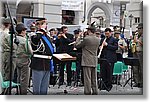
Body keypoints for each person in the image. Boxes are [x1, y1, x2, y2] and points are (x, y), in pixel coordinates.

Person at [30, 18, 54, 95]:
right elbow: (35, 41)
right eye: (45, 24)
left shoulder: (46, 36)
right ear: (40, 25)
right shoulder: (35, 35)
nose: (46, 26)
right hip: (38, 63)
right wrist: (40, 31)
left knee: (44, 87)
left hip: (47, 63)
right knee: (37, 87)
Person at [75, 26, 100, 95]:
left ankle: (87, 92)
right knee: (94, 78)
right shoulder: (98, 39)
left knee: (87, 78)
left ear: (89, 31)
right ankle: (95, 91)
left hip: (87, 60)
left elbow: (76, 45)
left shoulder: (87, 39)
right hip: (94, 59)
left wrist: (79, 37)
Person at [15, 23, 33, 95]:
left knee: (18, 77)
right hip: (25, 60)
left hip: (17, 59)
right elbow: (30, 51)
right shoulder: (24, 40)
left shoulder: (14, 38)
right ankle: (23, 93)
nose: (26, 32)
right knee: (25, 79)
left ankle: (18, 91)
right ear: (22, 31)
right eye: (25, 30)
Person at [132, 23, 143, 88]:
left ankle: (142, 82)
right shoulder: (137, 35)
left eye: (139, 28)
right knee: (135, 68)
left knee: (142, 68)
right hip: (135, 52)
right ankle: (137, 81)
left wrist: (138, 41)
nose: (138, 30)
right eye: (138, 29)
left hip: (141, 52)